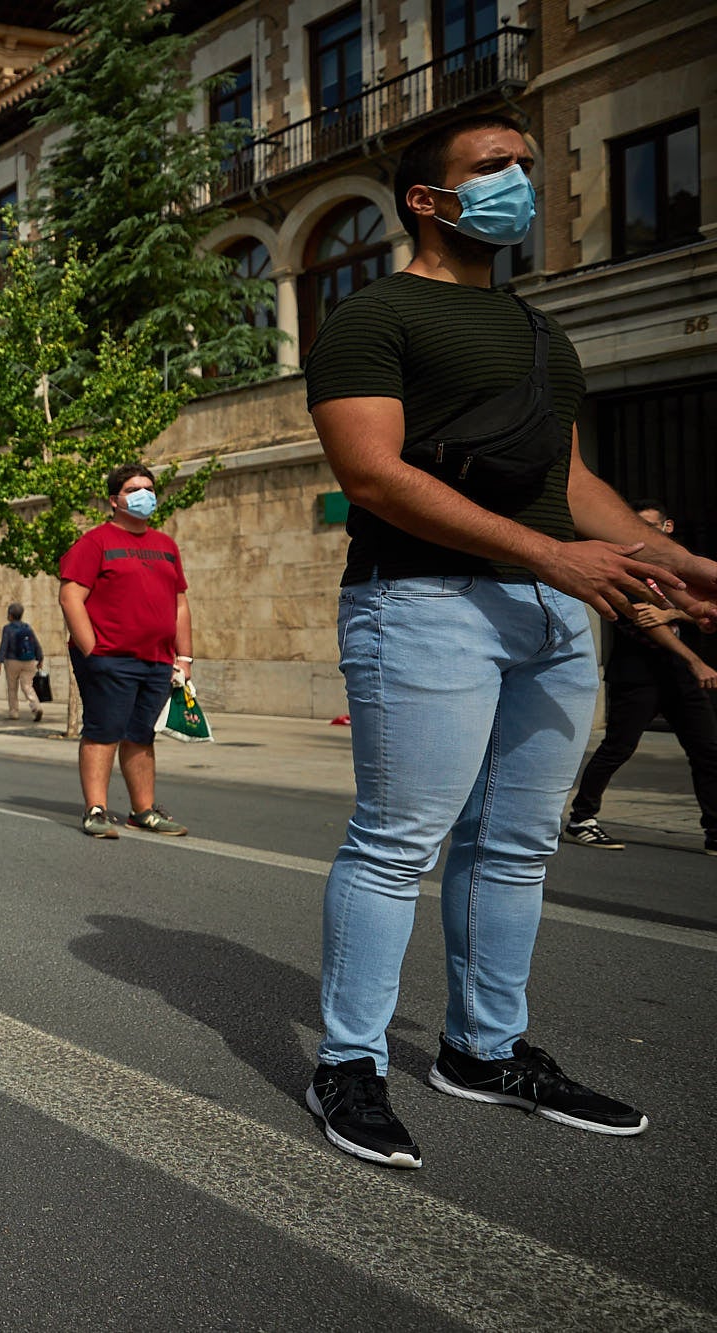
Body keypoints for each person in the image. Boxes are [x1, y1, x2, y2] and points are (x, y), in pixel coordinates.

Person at [300, 114, 717, 1169]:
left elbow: (570, 487)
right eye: (493, 169)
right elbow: (372, 477)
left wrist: (686, 568)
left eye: (527, 167)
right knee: (397, 843)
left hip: (547, 616)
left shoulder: (542, 333)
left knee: (516, 846)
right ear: (426, 200)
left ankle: (480, 1052)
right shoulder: (370, 318)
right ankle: (346, 1062)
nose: (520, 184)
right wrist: (550, 557)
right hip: (422, 606)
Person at [565, 500, 717, 855]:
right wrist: (693, 657)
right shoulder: (627, 570)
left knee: (708, 751)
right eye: (637, 526)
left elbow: (695, 614)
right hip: (638, 676)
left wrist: (674, 612)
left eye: (650, 527)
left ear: (668, 529)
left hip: (681, 678)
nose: (642, 534)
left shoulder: (687, 574)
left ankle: (714, 830)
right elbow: (641, 619)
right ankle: (581, 819)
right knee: (618, 747)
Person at [58, 463, 193, 839]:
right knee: (104, 732)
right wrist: (93, 651)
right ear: (114, 499)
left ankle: (143, 811)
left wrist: (185, 658)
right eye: (134, 489)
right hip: (110, 659)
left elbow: (179, 603)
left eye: (149, 487)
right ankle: (96, 810)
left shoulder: (166, 546)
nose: (144, 495)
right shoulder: (96, 542)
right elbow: (71, 597)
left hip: (157, 661)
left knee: (141, 735)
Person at [0, 602, 45, 724]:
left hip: (12, 661)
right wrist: (40, 659)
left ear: (11, 615)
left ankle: (14, 712)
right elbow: (36, 644)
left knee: (12, 687)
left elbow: (4, 645)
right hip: (29, 661)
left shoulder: (7, 629)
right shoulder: (27, 628)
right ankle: (36, 707)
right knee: (27, 686)